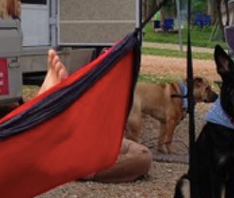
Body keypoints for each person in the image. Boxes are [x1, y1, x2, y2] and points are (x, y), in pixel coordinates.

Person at [36, 50, 152, 184]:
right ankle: (77, 166)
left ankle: (73, 163)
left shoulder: (119, 94)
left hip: (98, 142)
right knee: (141, 158)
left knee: (142, 155)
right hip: (81, 139)